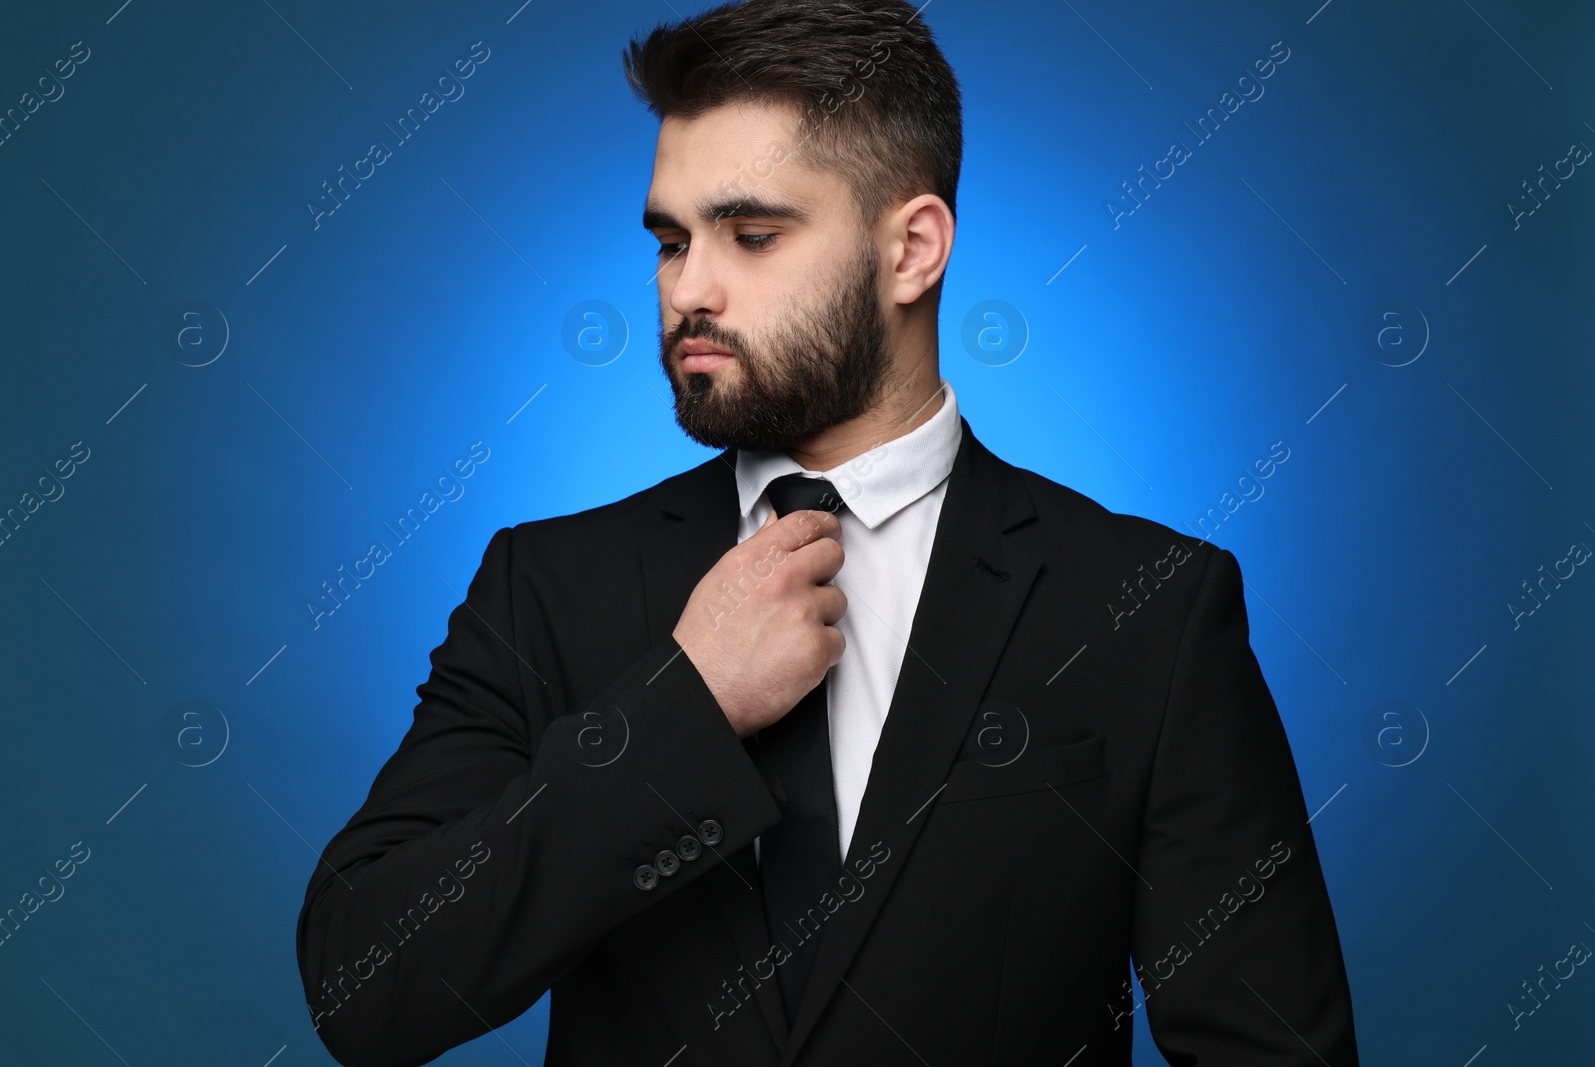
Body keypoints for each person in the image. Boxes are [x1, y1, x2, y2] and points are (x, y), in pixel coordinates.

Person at [296, 1, 1360, 1063]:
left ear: (911, 250)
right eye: (672, 241)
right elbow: (368, 986)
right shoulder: (548, 584)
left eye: (751, 234)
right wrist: (685, 706)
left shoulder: (1149, 606)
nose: (686, 291)